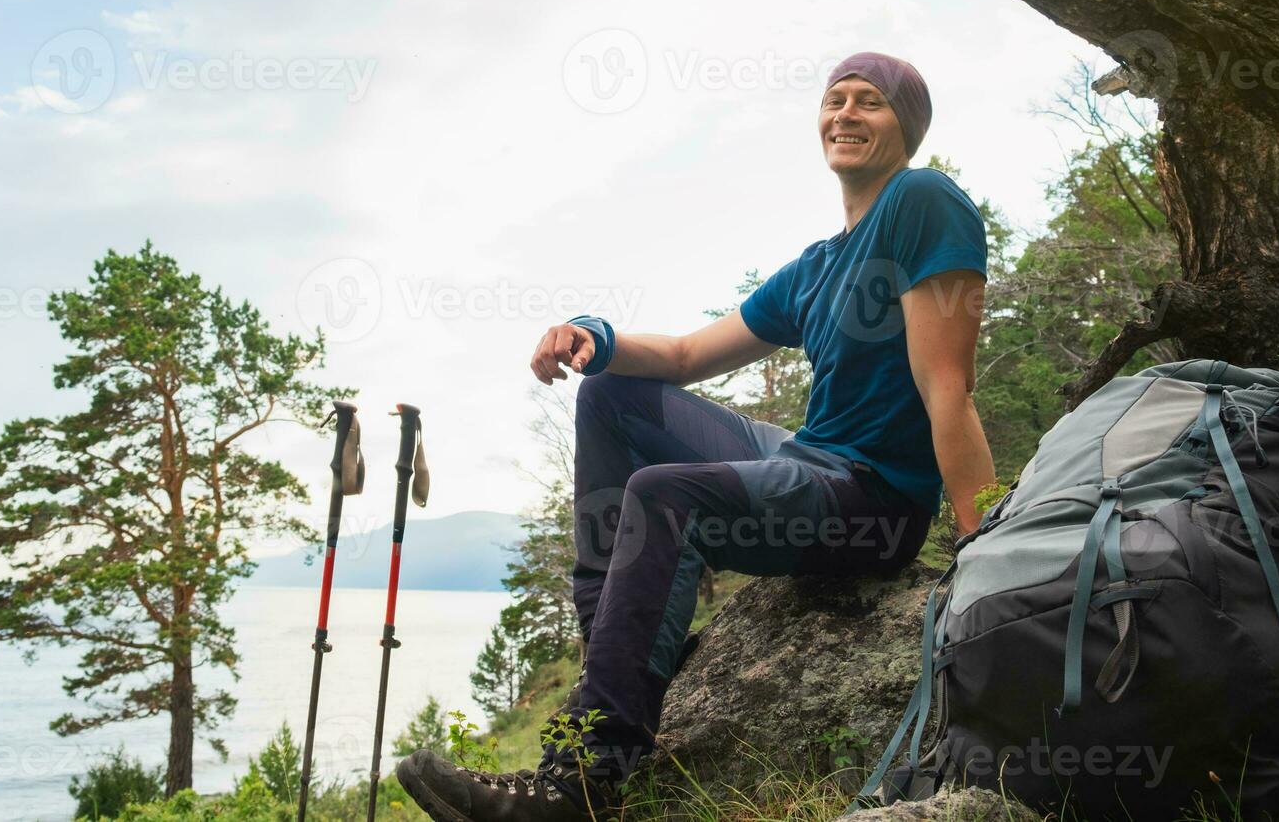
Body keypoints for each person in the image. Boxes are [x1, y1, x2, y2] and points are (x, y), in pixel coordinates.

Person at [397, 50, 997, 821]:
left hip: (872, 498)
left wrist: (986, 545)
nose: (845, 114)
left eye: (870, 102)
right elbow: (684, 356)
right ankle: (627, 656)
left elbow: (949, 385)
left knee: (667, 494)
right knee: (611, 392)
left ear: (906, 126)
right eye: (835, 99)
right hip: (808, 459)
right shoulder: (817, 265)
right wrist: (594, 335)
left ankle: (580, 779)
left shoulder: (922, 200)